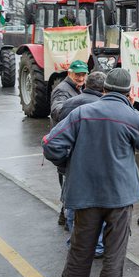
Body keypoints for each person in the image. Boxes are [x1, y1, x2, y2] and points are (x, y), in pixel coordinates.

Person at [41, 68, 139, 277]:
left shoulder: (82, 113)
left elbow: (51, 145)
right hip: (119, 197)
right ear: (129, 93)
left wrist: (68, 164)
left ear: (103, 89)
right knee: (114, 255)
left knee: (80, 251)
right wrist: (132, 111)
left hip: (85, 195)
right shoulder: (130, 115)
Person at [58, 70, 107, 255]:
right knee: (97, 207)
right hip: (97, 164)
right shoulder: (103, 107)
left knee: (74, 205)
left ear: (86, 84)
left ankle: (76, 242)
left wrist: (63, 162)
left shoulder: (68, 104)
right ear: (104, 89)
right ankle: (98, 246)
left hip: (74, 164)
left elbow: (57, 137)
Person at [50, 59, 89, 226]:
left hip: (71, 143)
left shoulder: (78, 89)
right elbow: (57, 112)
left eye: (83, 75)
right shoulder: (62, 90)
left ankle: (64, 215)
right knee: (68, 183)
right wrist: (79, 109)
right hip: (66, 145)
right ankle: (67, 219)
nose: (80, 78)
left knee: (69, 184)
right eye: (77, 75)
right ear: (69, 74)